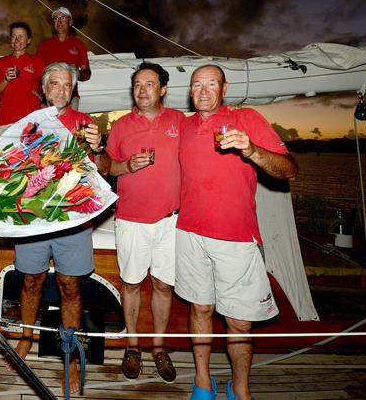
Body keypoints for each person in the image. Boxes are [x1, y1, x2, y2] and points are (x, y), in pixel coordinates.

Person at [176, 64, 298, 400]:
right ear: (190, 91)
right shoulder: (185, 127)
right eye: (196, 84)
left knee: (240, 321)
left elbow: (289, 170)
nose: (203, 90)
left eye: (211, 83)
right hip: (189, 232)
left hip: (237, 237)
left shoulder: (246, 119)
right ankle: (202, 382)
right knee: (199, 308)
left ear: (224, 88)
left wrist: (251, 150)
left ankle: (240, 388)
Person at [86, 61, 183, 383]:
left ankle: (158, 348)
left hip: (171, 219)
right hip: (131, 218)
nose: (143, 90)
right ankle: (132, 346)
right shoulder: (121, 126)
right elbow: (107, 168)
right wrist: (125, 165)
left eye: (150, 84)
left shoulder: (179, 122)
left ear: (163, 89)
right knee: (130, 284)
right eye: (138, 85)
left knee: (163, 285)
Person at [8, 62, 94, 395]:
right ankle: (26, 338)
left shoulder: (86, 124)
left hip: (73, 218)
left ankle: (70, 357)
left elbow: (97, 172)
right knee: (31, 281)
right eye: (53, 84)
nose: (59, 90)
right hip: (35, 219)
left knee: (70, 287)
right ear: (43, 89)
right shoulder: (27, 124)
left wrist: (96, 148)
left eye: (66, 85)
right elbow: (11, 167)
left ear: (74, 89)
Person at [0, 21, 46, 132]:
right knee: (4, 150)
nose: (17, 40)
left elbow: (47, 88)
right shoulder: (1, 62)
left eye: (21, 36)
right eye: (14, 36)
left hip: (31, 121)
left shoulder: (38, 62)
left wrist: (42, 98)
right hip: (6, 120)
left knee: (32, 149)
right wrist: (5, 80)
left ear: (28, 40)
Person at [35, 7, 91, 109]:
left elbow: (87, 73)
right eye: (56, 18)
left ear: (70, 22)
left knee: (70, 125)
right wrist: (38, 95)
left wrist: (77, 73)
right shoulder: (44, 45)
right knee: (47, 125)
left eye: (63, 18)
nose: (59, 21)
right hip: (48, 97)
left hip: (70, 97)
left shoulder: (78, 44)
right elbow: (37, 73)